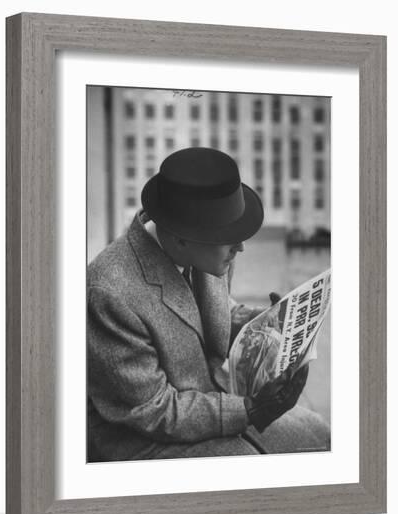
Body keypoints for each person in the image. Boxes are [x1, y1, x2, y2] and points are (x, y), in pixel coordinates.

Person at [87, 147, 329, 462]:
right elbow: (152, 411)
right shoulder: (110, 291)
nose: (240, 247)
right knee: (259, 473)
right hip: (142, 439)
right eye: (228, 237)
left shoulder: (207, 253)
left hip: (212, 401)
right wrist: (250, 409)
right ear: (179, 237)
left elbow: (207, 315)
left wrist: (262, 323)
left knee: (320, 435)